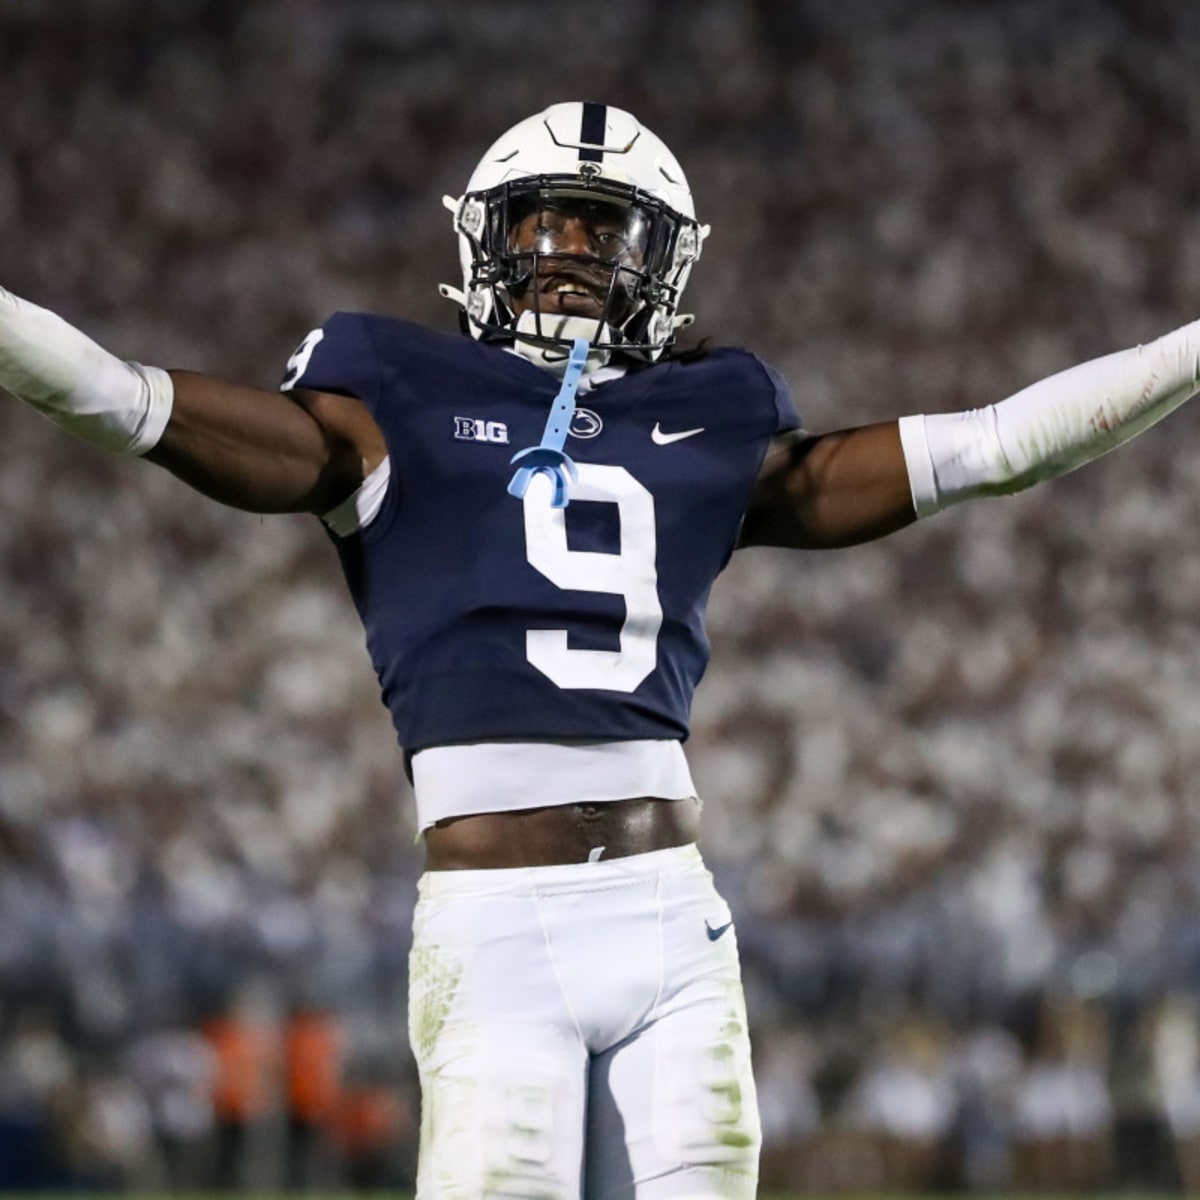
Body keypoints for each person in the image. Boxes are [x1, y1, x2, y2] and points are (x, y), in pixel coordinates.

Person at [2, 100, 1199, 1199]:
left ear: (662, 261)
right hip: (492, 923)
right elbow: (124, 400)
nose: (572, 245)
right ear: (485, 236)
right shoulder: (390, 389)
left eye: (605, 225)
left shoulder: (716, 410)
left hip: (673, 910)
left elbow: (994, 448)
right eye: (546, 217)